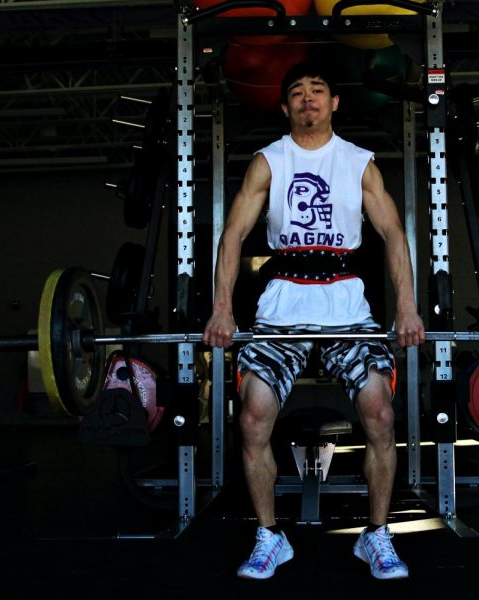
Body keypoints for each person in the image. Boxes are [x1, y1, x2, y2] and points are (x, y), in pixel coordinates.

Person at [202, 60, 425, 580]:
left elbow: (393, 235)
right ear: (285, 107)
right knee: (254, 416)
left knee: (381, 412)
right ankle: (269, 535)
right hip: (282, 304)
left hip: (346, 304)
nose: (308, 99)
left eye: (318, 89)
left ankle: (375, 535)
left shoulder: (358, 163)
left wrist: (408, 306)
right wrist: (221, 308)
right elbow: (232, 235)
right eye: (298, 92)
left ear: (334, 104)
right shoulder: (269, 162)